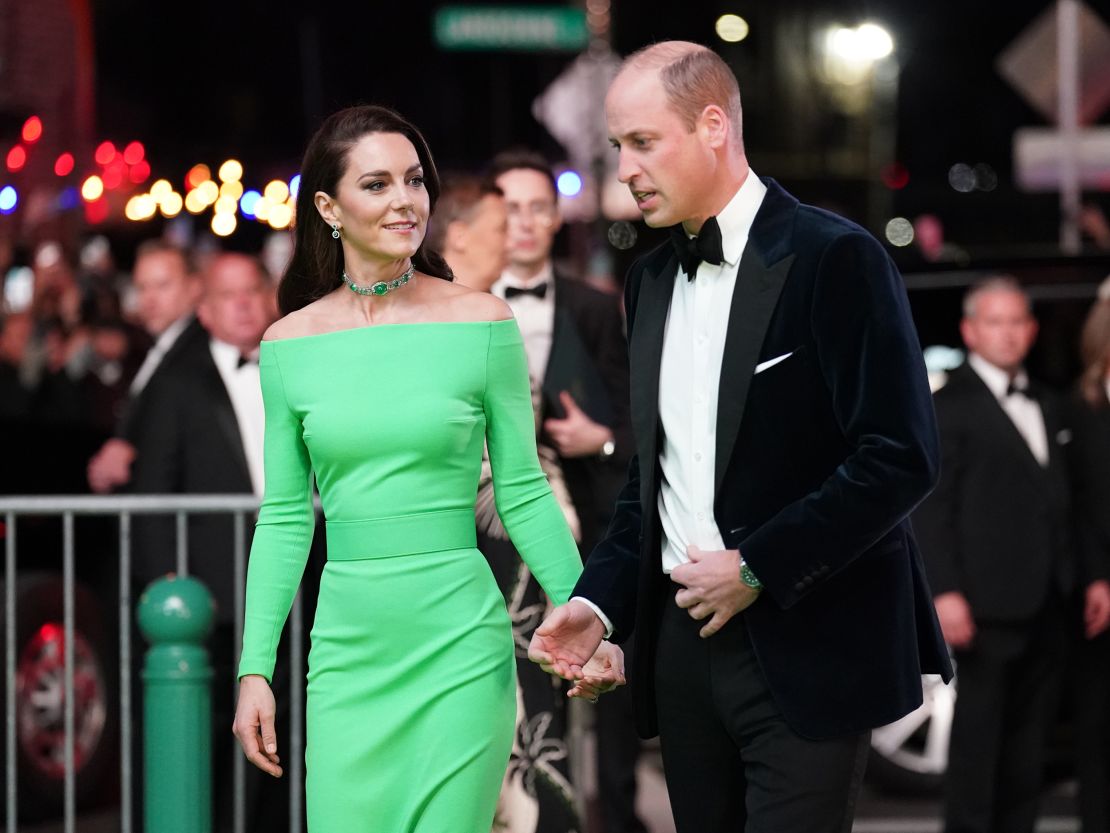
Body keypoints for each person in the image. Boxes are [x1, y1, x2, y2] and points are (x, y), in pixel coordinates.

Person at [527, 41, 951, 833]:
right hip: (683, 649)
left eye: (643, 142)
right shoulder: (648, 279)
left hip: (810, 637)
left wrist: (758, 565)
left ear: (713, 125)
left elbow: (899, 455)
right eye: (619, 146)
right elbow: (649, 484)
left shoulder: (837, 257)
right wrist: (598, 602)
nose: (626, 168)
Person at [231, 104, 624, 833]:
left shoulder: (481, 323)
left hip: (461, 647)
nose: (406, 200)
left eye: (414, 181)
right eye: (377, 184)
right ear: (328, 206)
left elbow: (523, 489)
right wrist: (255, 668)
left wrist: (581, 612)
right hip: (348, 652)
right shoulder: (288, 345)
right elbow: (285, 517)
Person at [487, 149, 643, 833]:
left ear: (556, 218)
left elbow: (636, 422)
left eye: (535, 207)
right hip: (488, 536)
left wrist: (599, 440)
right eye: (509, 208)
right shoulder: (461, 307)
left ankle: (612, 817)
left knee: (601, 689)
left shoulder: (597, 308)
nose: (522, 222)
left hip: (590, 524)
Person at [130, 252, 286, 833]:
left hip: (298, 582)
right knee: (216, 727)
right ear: (205, 308)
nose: (244, 304)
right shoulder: (176, 382)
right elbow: (153, 489)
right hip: (213, 593)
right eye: (229, 295)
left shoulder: (290, 364)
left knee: (290, 726)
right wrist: (168, 580)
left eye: (252, 291)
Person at [914, 277, 1073, 833]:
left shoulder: (1050, 403)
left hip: (1048, 602)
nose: (1006, 335)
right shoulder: (947, 405)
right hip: (982, 604)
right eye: (994, 323)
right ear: (969, 331)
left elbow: (1058, 502)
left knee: (1029, 750)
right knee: (979, 746)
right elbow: (930, 508)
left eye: (1016, 323)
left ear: (1030, 331)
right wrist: (945, 591)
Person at [86, 240, 203, 493]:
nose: (149, 299)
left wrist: (132, 456)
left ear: (194, 287)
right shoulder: (158, 350)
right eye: (141, 287)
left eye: (162, 286)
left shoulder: (199, 354)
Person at [1063, 295, 1110, 833]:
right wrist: (1097, 575)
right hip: (1097, 593)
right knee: (1097, 729)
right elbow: (1072, 504)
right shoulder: (1079, 407)